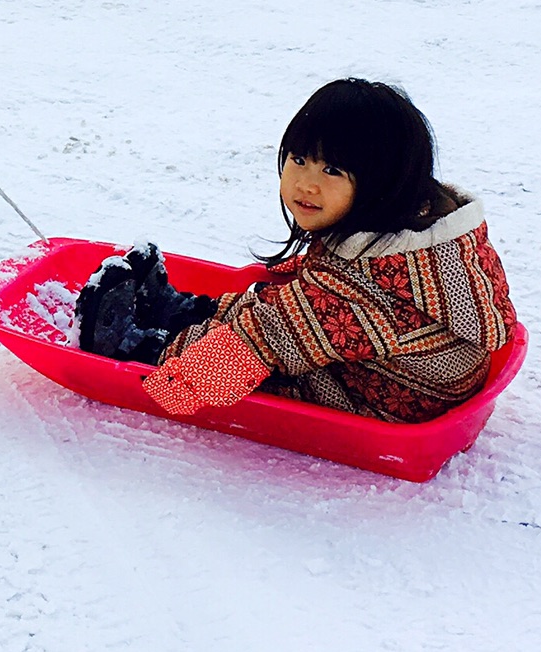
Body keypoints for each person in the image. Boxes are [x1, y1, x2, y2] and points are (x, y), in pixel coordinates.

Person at [77, 80, 514, 422]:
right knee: (284, 307)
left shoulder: (354, 289)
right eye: (300, 160)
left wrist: (164, 377)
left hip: (381, 400)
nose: (307, 183)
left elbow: (265, 338)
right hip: (418, 375)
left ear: (382, 183)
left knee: (265, 353)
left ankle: (146, 340)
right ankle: (183, 310)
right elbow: (310, 309)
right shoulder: (429, 234)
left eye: (333, 170)